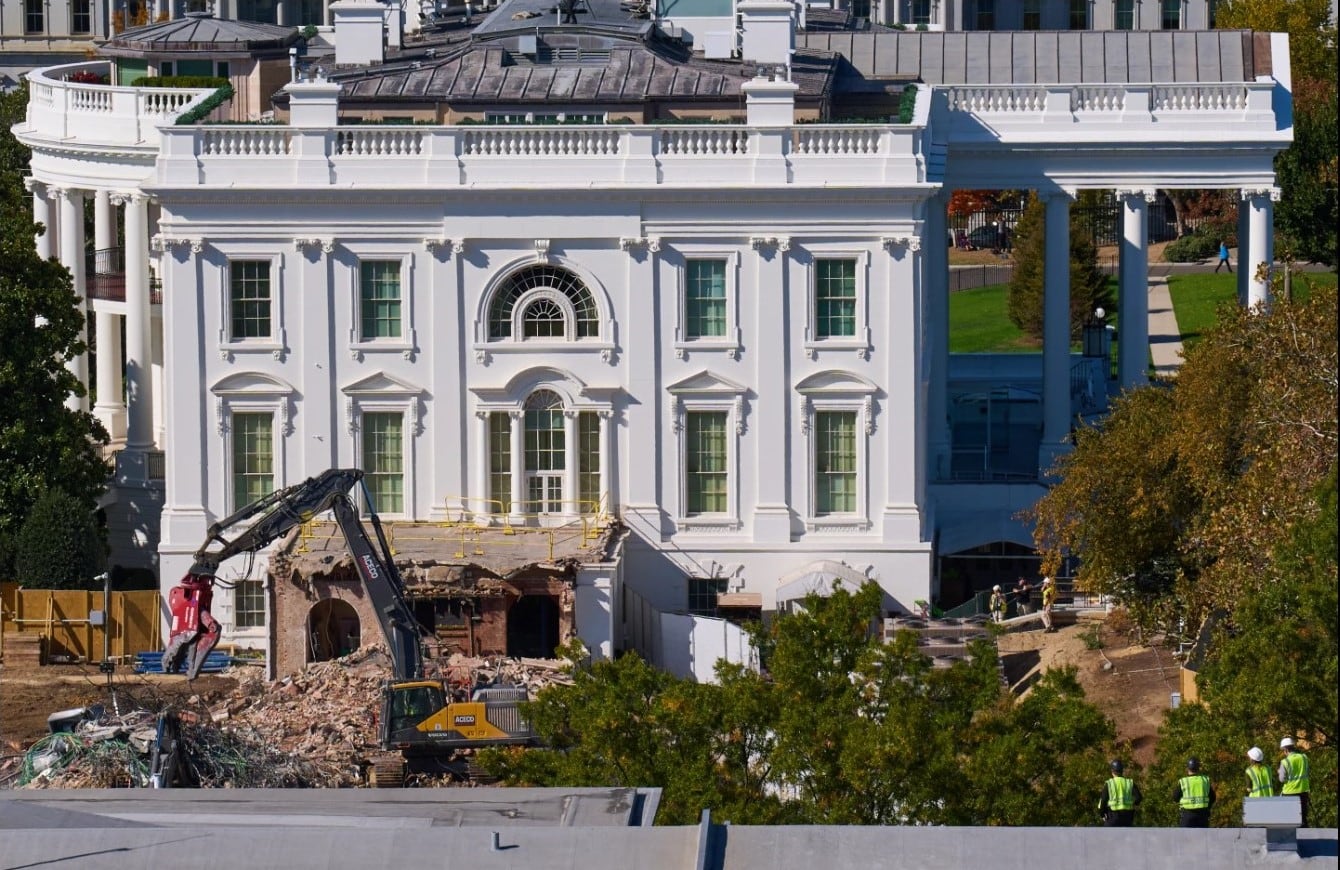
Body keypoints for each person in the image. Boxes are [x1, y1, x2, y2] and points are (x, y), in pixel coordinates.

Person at [1173, 757, 1215, 828]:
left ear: (1187, 768)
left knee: (1184, 838)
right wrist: (1207, 807)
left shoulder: (1184, 782)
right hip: (1203, 816)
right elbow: (1213, 797)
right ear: (1199, 768)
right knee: (1203, 838)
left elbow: (1175, 798)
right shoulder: (1205, 780)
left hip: (1187, 816)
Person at [1099, 759, 1142, 827]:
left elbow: (1103, 801)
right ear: (1122, 771)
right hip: (1127, 818)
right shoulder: (1129, 783)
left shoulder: (1109, 784)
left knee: (1106, 836)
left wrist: (1102, 814)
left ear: (1112, 771)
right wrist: (1132, 804)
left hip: (1113, 818)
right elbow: (1139, 798)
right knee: (1128, 837)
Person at [1278, 737, 1311, 827]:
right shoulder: (1304, 757)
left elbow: (1282, 779)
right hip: (1303, 791)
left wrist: (1279, 772)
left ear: (1285, 749)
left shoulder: (1285, 762)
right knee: (1303, 817)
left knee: (1289, 818)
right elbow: (1307, 772)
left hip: (1289, 793)